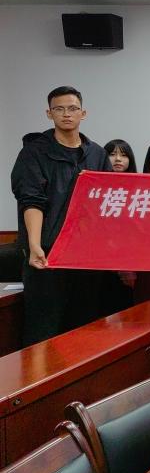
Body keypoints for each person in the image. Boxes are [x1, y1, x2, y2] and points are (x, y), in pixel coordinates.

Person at [11, 86, 112, 345]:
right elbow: (31, 200)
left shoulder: (97, 154)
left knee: (83, 328)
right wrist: (34, 245)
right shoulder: (34, 152)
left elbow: (108, 200)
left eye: (73, 108)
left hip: (84, 255)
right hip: (47, 255)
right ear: (49, 113)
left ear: (83, 113)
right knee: (43, 329)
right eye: (59, 109)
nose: (67, 114)